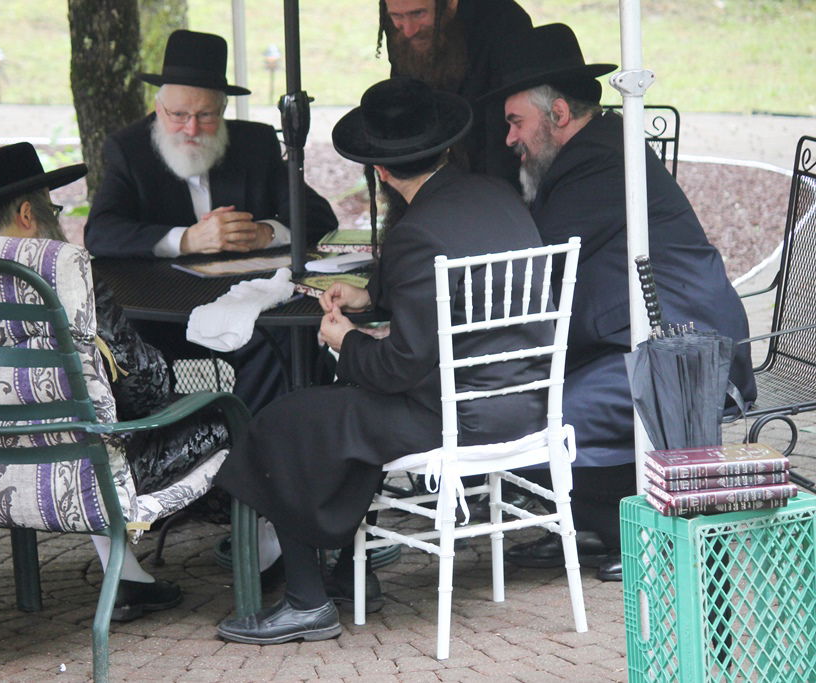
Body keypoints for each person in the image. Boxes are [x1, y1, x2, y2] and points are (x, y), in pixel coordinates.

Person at [214, 77, 552, 645]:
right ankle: (350, 570)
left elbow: (399, 367)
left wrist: (346, 340)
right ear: (445, 150)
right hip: (523, 403)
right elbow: (453, 295)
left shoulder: (416, 232)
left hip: (457, 417)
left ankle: (306, 602)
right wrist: (372, 299)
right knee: (337, 413)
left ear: (382, 171)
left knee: (286, 421)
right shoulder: (496, 195)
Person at [479, 23, 757, 581]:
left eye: (516, 122)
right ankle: (583, 523)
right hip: (637, 341)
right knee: (522, 411)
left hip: (682, 355)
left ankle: (632, 534)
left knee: (533, 428)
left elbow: (537, 259)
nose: (509, 138)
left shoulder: (599, 161)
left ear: (557, 114)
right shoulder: (593, 149)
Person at [0, 142, 230, 621]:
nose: (57, 219)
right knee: (222, 417)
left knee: (72, 418)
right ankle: (267, 562)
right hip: (87, 473)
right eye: (53, 207)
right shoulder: (62, 277)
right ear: (27, 213)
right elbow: (145, 391)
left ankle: (126, 577)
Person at [84, 30, 339, 414]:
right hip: (162, 314)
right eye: (178, 115)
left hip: (245, 308)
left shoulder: (254, 144)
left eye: (205, 116)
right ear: (158, 108)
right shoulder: (130, 148)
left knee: (290, 342)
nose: (191, 128)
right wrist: (186, 239)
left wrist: (265, 233)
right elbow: (101, 232)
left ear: (221, 111)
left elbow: (319, 217)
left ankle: (254, 446)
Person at [378, 0, 531, 185]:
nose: (409, 30)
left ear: (450, 3)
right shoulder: (403, 25)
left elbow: (504, 128)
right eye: (396, 16)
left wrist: (494, 196)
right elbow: (404, 91)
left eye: (419, 13)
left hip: (491, 165)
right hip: (429, 164)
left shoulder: (504, 22)